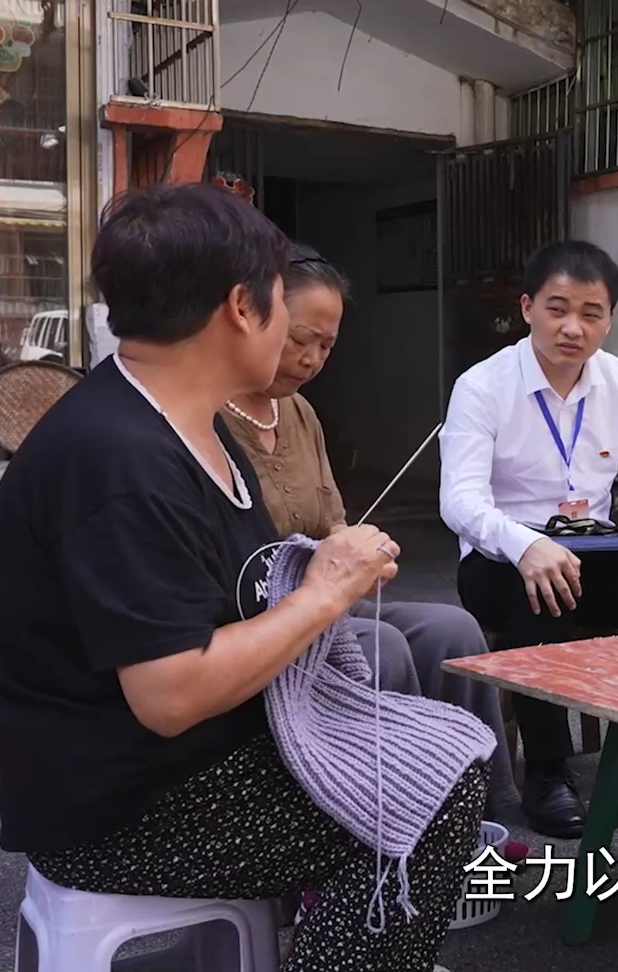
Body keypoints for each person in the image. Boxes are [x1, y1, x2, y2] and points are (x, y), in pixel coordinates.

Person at [0, 183, 488, 972]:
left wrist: (317, 577)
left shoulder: (184, 425)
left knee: (436, 754)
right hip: (123, 807)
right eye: (283, 300)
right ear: (244, 307)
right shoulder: (118, 459)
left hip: (186, 763)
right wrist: (324, 594)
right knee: (431, 797)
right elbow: (172, 695)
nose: (295, 334)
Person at [442, 239, 618, 840]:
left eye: (590, 313)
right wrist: (524, 545)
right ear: (527, 308)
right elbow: (460, 502)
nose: (573, 327)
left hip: (596, 555)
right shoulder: (483, 385)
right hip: (503, 561)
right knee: (538, 591)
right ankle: (547, 773)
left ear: (609, 320)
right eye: (557, 308)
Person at [219, 244, 517, 809]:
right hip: (269, 620)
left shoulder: (300, 413)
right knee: (384, 646)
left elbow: (331, 521)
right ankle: (396, 815)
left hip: (331, 605)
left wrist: (362, 551)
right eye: (301, 338)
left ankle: (480, 807)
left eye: (327, 346)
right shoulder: (207, 419)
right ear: (254, 316)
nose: (312, 359)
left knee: (453, 631)